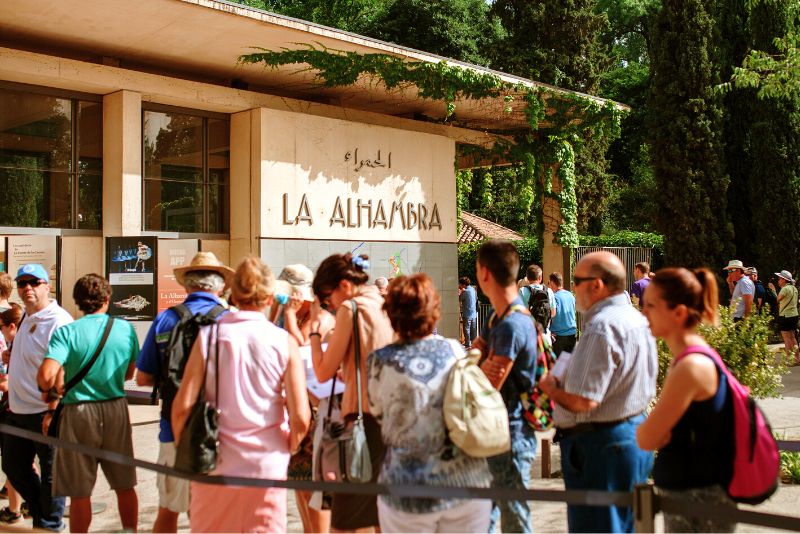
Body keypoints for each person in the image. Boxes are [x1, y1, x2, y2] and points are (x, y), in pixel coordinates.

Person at [172, 256, 310, 532]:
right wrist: (288, 447)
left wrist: (187, 447)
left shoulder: (209, 337)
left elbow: (182, 406)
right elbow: (301, 418)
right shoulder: (283, 341)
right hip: (266, 462)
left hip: (215, 458)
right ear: (270, 297)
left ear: (233, 295)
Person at [539, 251, 657, 533]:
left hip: (601, 447)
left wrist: (550, 388)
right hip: (625, 437)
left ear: (597, 285)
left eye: (577, 280)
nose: (572, 287)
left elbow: (584, 401)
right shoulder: (634, 318)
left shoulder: (603, 327)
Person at [367, 273, 492, 533]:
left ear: (390, 313)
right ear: (434, 310)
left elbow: (377, 411)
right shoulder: (456, 350)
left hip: (407, 488)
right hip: (466, 483)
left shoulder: (379, 361)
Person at [136, 251, 232, 532]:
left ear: (187, 286)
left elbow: (143, 378)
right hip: (221, 432)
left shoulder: (166, 320)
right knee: (214, 517)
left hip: (172, 430)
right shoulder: (230, 320)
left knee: (168, 510)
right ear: (220, 286)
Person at [635, 267, 736, 532]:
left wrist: (660, 431)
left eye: (651, 305)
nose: (644, 312)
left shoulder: (690, 366)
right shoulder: (690, 358)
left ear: (678, 313)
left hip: (698, 504)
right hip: (692, 498)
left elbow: (646, 438)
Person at [37, 274, 139, 533]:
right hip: (115, 408)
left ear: (78, 302)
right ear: (107, 299)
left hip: (78, 412)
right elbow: (129, 374)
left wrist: (53, 387)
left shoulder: (67, 332)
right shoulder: (125, 329)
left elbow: (46, 376)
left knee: (79, 491)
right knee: (125, 485)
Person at [308, 253, 393, 532]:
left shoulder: (350, 309)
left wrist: (315, 333)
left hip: (361, 421)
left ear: (344, 285)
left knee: (343, 521)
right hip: (389, 420)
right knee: (382, 514)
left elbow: (321, 372)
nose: (327, 303)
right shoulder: (383, 303)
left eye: (325, 295)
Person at [471, 240, 538, 534]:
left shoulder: (511, 324)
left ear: (484, 273)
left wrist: (475, 368)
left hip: (510, 435)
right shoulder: (497, 316)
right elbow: (476, 360)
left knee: (514, 521)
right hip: (495, 432)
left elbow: (487, 381)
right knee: (486, 516)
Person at [2, 264, 73, 532]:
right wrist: (13, 355)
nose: (27, 288)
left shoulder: (59, 320)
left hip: (45, 411)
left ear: (47, 286)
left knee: (52, 473)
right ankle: (43, 513)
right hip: (18, 410)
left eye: (34, 282)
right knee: (12, 466)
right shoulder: (28, 317)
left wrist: (53, 410)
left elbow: (64, 368)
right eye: (22, 284)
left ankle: (50, 524)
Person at [277, 264, 334, 533]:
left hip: (313, 411)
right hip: (296, 409)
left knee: (313, 490)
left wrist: (288, 315)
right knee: (299, 485)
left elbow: (301, 349)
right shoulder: (289, 313)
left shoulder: (318, 315)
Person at [0, 304, 25, 525]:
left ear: (12, 326)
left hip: (15, 409)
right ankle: (20, 506)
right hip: (18, 408)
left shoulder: (17, 345)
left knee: (13, 462)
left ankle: (16, 509)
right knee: (18, 462)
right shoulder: (14, 345)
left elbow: (5, 383)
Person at [770, 270, 798, 365]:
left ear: (784, 280)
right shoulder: (794, 288)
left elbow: (777, 299)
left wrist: (773, 291)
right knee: (793, 338)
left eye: (779, 278)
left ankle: (789, 360)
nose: (778, 280)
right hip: (794, 315)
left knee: (786, 338)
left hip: (785, 316)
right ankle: (797, 359)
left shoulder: (785, 289)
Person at [548, 272, 577, 356]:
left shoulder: (554, 297)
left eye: (549, 283)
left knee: (558, 366)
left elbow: (552, 314)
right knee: (568, 364)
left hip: (559, 336)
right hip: (572, 334)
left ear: (553, 283)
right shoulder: (571, 295)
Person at [458, 276, 478, 348]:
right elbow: (476, 299)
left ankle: (467, 344)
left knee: (466, 330)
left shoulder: (465, 292)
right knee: (474, 330)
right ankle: (474, 344)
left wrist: (460, 293)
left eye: (460, 284)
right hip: (474, 313)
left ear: (463, 284)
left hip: (467, 313)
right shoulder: (473, 290)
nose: (459, 285)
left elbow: (459, 299)